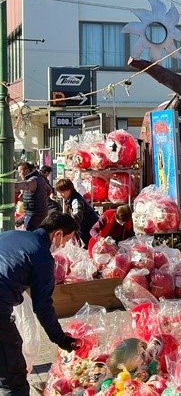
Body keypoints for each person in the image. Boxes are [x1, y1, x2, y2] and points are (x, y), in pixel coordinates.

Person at [0, 212, 82, 395]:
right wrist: (61, 339)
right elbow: (43, 306)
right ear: (58, 234)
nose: (64, 245)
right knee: (13, 377)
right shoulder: (42, 256)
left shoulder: (12, 235)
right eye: (67, 240)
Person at [54, 178, 100, 247]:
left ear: (69, 189)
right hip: (84, 230)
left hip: (89, 229)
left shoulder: (76, 200)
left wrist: (68, 228)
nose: (61, 195)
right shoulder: (71, 199)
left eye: (62, 192)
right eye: (59, 192)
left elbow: (77, 216)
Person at [14, 162, 49, 231]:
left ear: (26, 171)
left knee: (30, 235)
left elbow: (26, 185)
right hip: (40, 214)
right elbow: (49, 190)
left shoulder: (33, 180)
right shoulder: (40, 178)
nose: (19, 175)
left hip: (34, 216)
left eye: (20, 172)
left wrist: (11, 185)